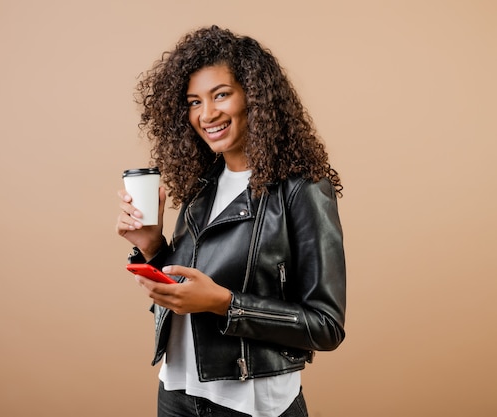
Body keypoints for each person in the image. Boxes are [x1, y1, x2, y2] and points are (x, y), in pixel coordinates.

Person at [116, 25, 346, 417]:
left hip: (249, 403)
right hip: (176, 390)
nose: (207, 114)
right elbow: (186, 292)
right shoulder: (203, 184)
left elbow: (325, 325)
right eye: (193, 102)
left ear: (253, 97)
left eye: (221, 94)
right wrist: (153, 246)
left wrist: (225, 304)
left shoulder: (302, 188)